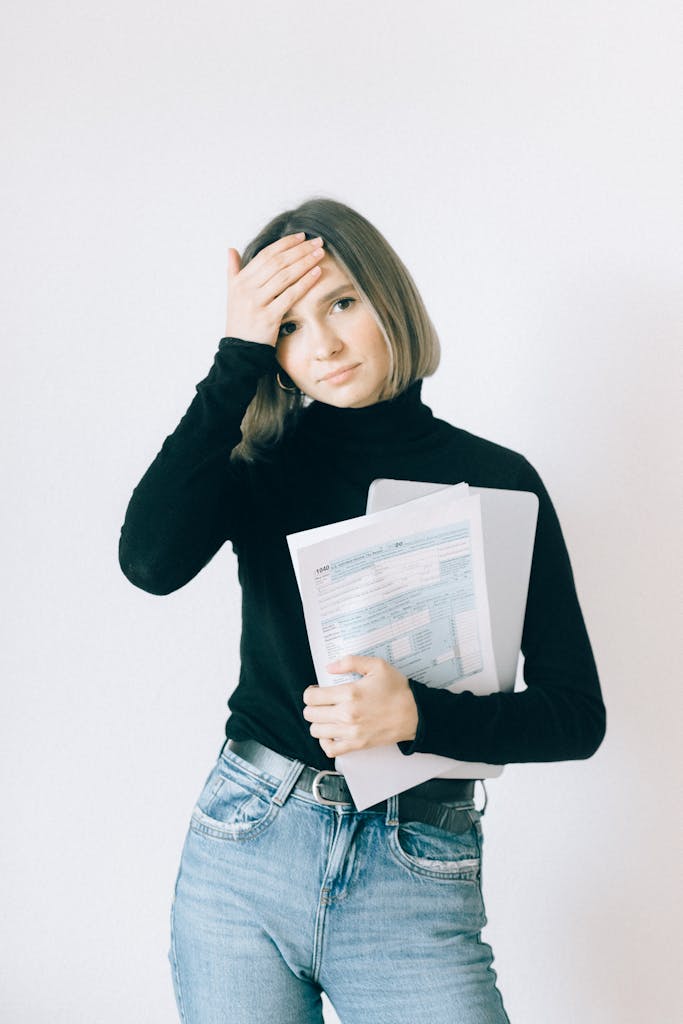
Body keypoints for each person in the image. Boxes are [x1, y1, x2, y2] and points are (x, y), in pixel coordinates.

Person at [118, 196, 605, 1024]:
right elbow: (149, 563)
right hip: (247, 851)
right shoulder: (259, 467)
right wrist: (234, 354)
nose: (326, 345)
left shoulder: (498, 479)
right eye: (289, 327)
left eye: (341, 303)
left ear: (387, 298)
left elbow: (574, 716)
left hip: (414, 874)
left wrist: (415, 714)